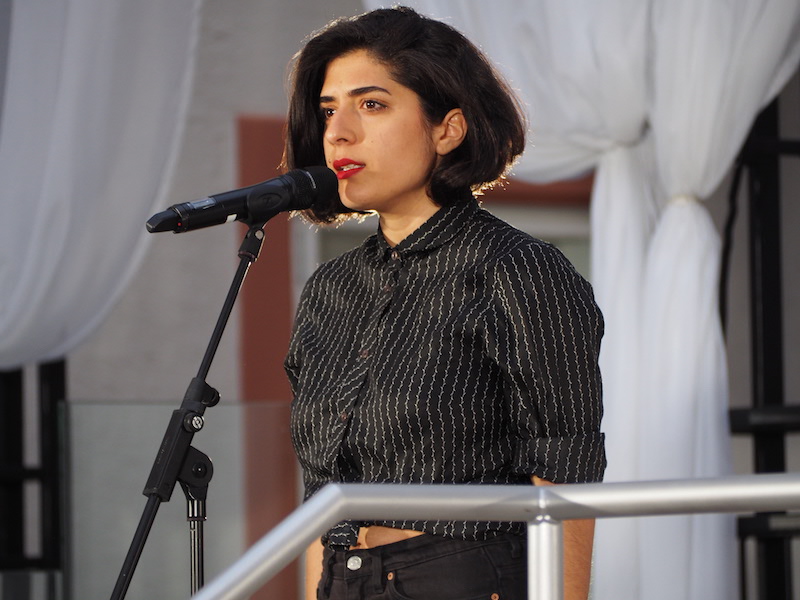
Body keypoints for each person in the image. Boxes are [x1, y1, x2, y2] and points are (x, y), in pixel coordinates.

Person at [283, 7, 605, 600]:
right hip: (340, 578)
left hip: (463, 576)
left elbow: (564, 474)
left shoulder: (517, 269)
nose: (338, 132)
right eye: (329, 109)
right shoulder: (331, 289)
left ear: (447, 129)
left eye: (371, 104)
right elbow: (320, 494)